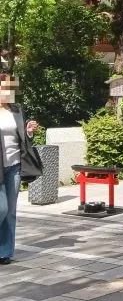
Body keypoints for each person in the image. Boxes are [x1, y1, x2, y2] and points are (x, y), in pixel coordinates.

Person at [0, 71, 38, 265]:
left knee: (11, 211)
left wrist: (29, 132)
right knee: (2, 209)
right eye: (5, 88)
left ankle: (4, 253)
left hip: (14, 166)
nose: (8, 92)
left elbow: (22, 139)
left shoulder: (16, 110)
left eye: (10, 89)